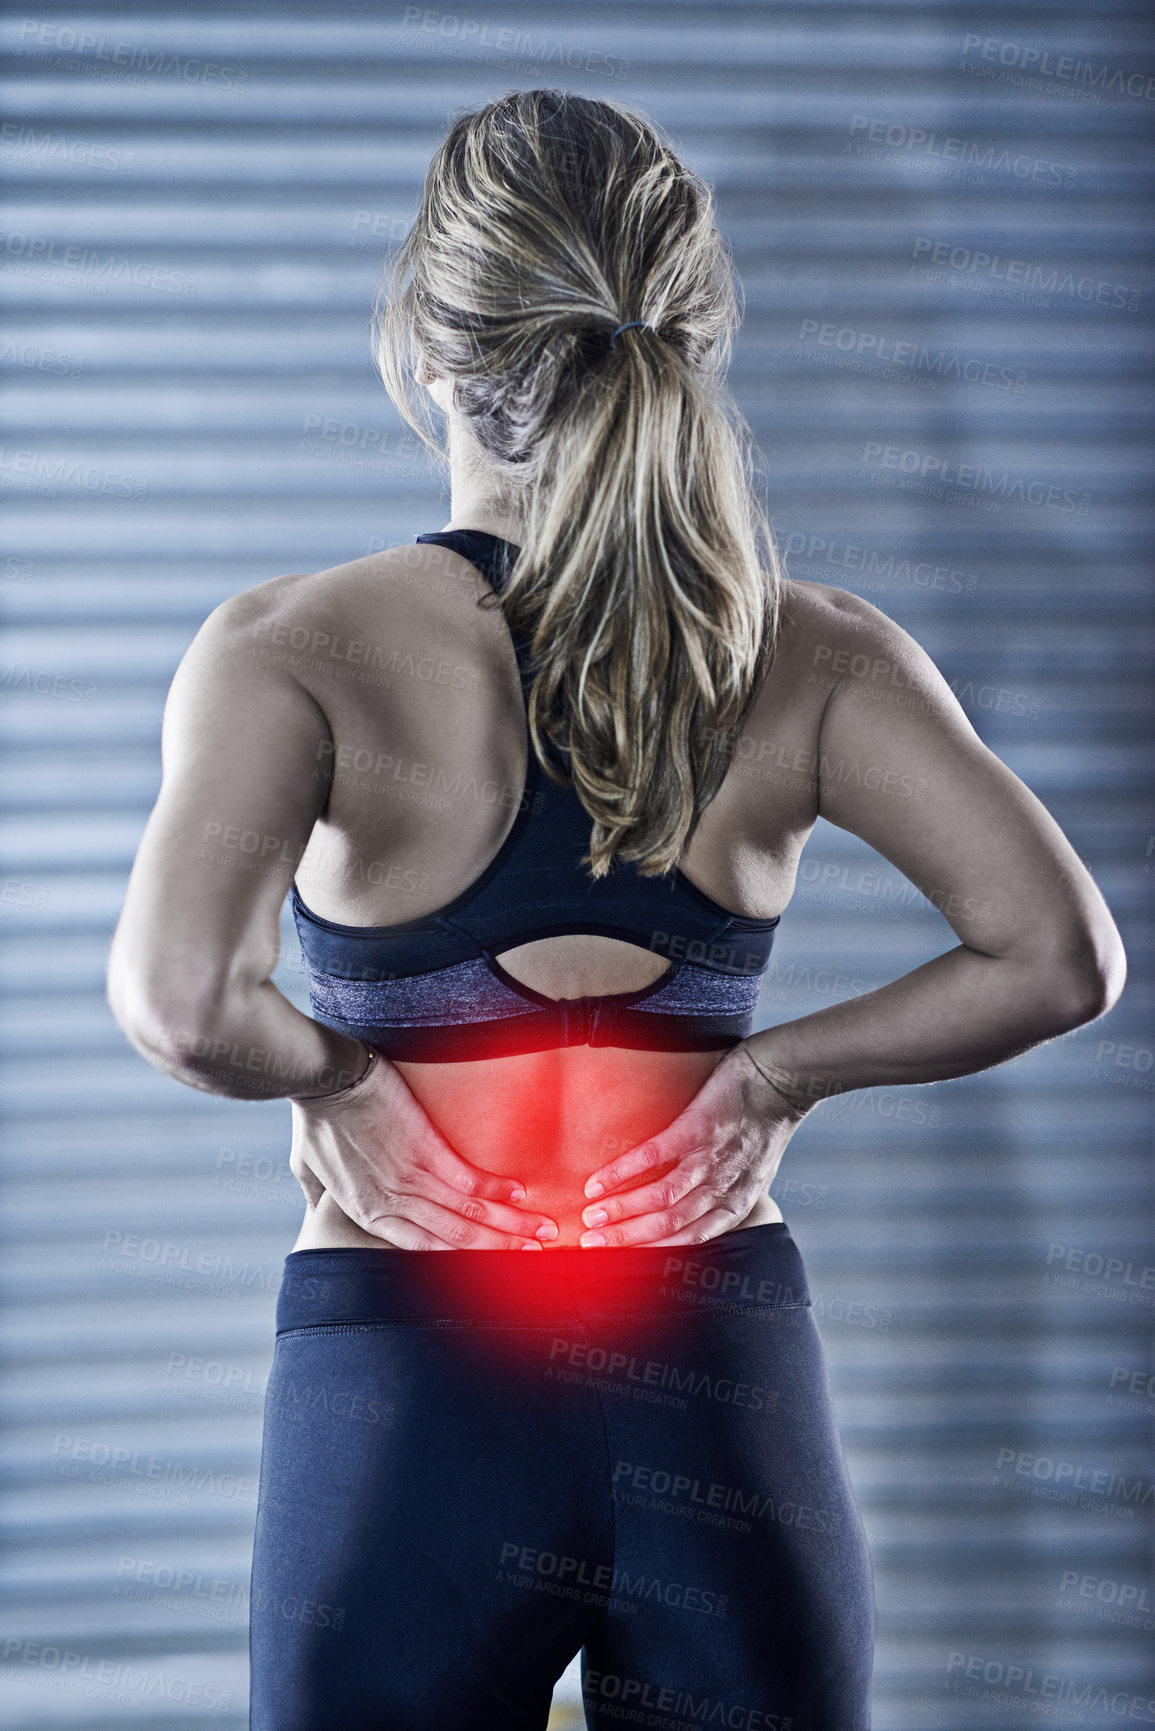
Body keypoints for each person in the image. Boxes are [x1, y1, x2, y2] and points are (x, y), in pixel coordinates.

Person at [106, 88, 1125, 1731]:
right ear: (694, 333)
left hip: (410, 1370)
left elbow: (180, 1003)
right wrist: (777, 1076)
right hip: (710, 1360)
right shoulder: (818, 653)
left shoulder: (292, 647)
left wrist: (344, 1081)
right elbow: (1059, 954)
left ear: (433, 347)